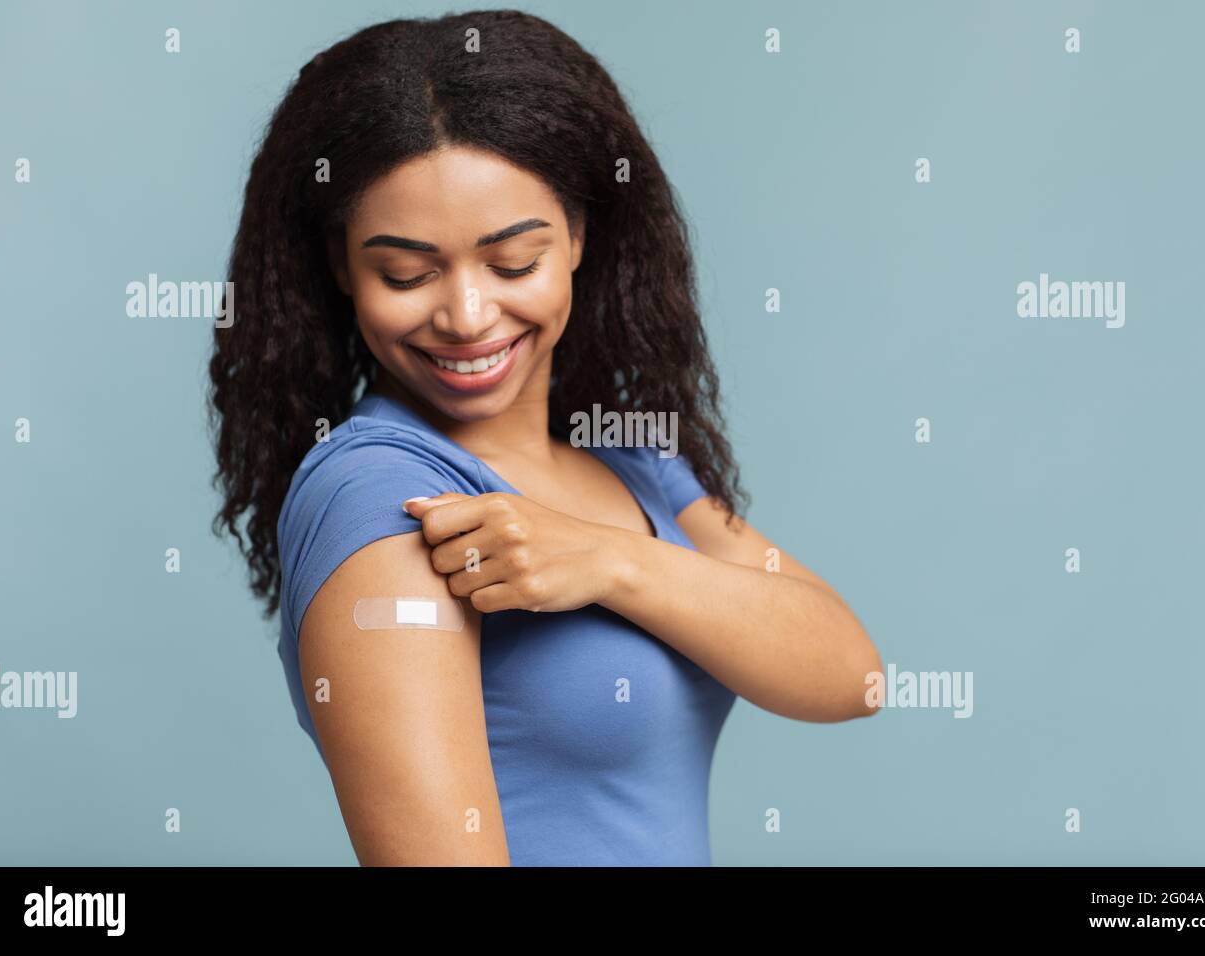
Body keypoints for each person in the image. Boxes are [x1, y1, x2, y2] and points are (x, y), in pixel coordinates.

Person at [208, 11, 880, 866]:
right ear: (342, 267)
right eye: (406, 273)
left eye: (513, 262)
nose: (467, 316)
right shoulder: (379, 492)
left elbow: (851, 674)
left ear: (577, 237)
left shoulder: (630, 459)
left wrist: (610, 561)